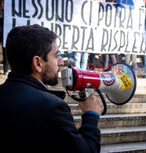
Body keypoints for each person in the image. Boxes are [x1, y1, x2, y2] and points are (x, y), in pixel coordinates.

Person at [0, 25, 104, 153]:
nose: (61, 62)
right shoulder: (53, 107)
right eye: (56, 55)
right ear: (38, 63)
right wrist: (91, 116)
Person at [0, 0, 8, 75]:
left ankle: (5, 69)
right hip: (1, 32)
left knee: (5, 51)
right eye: (2, 3)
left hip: (5, 33)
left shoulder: (9, 13)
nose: (3, 5)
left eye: (4, 3)